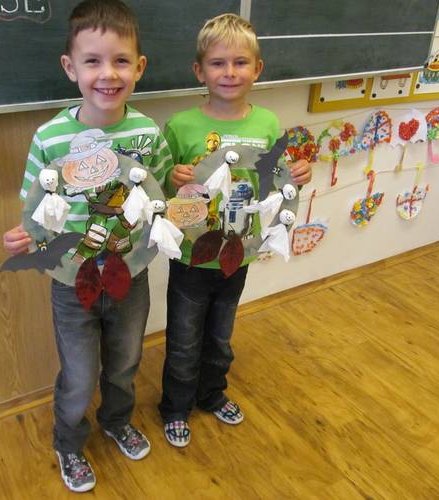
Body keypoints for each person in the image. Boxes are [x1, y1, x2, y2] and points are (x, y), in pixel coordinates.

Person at [2, 0, 172, 492]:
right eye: (92, 61)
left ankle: (116, 421)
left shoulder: (146, 133)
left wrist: (184, 195)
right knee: (78, 374)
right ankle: (69, 442)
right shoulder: (51, 138)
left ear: (140, 67)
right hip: (71, 279)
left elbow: (160, 196)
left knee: (125, 360)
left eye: (121, 61)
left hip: (130, 274)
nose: (108, 74)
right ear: (70, 66)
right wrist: (23, 236)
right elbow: (35, 209)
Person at [159, 13, 311, 447]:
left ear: (257, 69)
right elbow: (160, 191)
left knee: (220, 336)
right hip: (192, 255)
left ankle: (211, 394)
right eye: (218, 63)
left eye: (240, 62)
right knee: (184, 339)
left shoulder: (267, 125)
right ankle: (175, 407)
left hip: (238, 252)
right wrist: (172, 177)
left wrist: (298, 177)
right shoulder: (181, 126)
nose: (229, 72)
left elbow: (276, 182)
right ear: (199, 70)